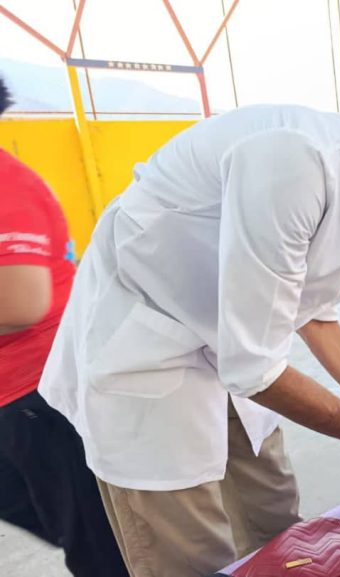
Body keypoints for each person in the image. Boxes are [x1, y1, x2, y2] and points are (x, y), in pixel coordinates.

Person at [38, 79, 340, 576]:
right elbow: (253, 369)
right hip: (148, 360)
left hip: (228, 353)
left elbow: (312, 313)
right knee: (193, 557)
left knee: (281, 533)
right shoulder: (296, 163)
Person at [0, 77, 128, 576]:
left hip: (41, 395)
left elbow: (22, 302)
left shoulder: (7, 183)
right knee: (74, 524)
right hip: (19, 402)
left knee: (100, 550)